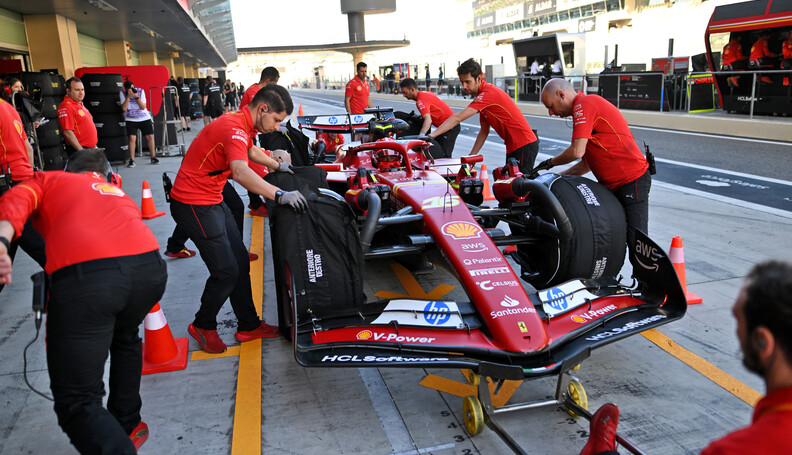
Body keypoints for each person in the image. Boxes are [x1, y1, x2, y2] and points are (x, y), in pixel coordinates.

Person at [0, 148, 167, 454]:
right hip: (149, 271)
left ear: (67, 169)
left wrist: (2, 240)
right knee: (126, 337)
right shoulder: (115, 191)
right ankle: (128, 423)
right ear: (108, 175)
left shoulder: (51, 179)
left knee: (77, 401)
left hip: (90, 279)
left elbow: (15, 198)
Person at [581, 260, 792, 455]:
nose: (736, 333)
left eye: (738, 321)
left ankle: (602, 451)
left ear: (763, 342)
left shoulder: (736, 449)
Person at [169, 83, 307, 354]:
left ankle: (248, 324)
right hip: (193, 204)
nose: (277, 126)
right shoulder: (233, 128)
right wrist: (279, 194)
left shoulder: (243, 124)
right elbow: (241, 171)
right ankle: (203, 324)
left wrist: (277, 165)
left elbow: (249, 151)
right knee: (226, 272)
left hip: (212, 199)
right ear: (263, 109)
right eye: (277, 120)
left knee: (240, 261)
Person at [537, 78, 650, 249]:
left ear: (561, 95)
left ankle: (644, 276)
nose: (551, 113)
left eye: (550, 106)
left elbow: (576, 151)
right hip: (613, 186)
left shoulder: (584, 104)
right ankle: (610, 276)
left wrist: (549, 163)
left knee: (637, 242)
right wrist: (555, 177)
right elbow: (585, 165)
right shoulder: (581, 110)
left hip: (631, 179)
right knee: (614, 237)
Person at [428, 58, 539, 173]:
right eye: (462, 82)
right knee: (510, 183)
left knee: (520, 187)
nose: (464, 86)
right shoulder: (482, 96)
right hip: (514, 145)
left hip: (524, 144)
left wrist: (431, 135)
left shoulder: (488, 94)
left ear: (479, 78)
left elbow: (458, 118)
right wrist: (472, 156)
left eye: (468, 82)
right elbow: (484, 131)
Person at [0, 94, 46, 294]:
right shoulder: (9, 108)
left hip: (8, 183)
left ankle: (79, 281)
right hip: (21, 180)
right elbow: (27, 147)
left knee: (41, 247)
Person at [400, 78, 459, 158]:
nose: (404, 95)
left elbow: (428, 119)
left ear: (412, 89)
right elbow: (433, 110)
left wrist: (421, 134)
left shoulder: (421, 100)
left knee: (444, 155)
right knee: (436, 151)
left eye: (405, 92)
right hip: (443, 127)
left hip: (451, 127)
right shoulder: (425, 94)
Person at [120, 79, 159, 167]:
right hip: (131, 119)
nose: (132, 90)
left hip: (144, 117)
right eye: (129, 89)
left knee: (149, 136)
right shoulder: (122, 93)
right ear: (126, 89)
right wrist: (128, 97)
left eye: (133, 88)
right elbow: (124, 108)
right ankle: (132, 160)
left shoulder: (140, 91)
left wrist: (136, 96)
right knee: (132, 138)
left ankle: (153, 157)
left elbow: (143, 107)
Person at [58, 77, 98, 154]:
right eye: (77, 90)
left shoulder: (79, 104)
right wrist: (81, 151)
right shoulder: (66, 106)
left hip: (90, 149)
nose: (81, 92)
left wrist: (94, 146)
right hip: (80, 151)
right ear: (68, 91)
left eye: (82, 89)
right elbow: (68, 132)